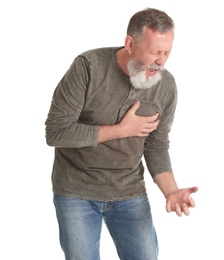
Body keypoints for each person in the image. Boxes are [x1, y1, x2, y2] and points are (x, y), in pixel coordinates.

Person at [45, 7, 198, 260]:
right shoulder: (88, 67)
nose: (160, 61)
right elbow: (57, 132)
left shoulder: (166, 85)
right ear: (129, 43)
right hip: (76, 189)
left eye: (166, 52)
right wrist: (120, 131)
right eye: (154, 51)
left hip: (129, 190)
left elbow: (156, 145)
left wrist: (171, 191)